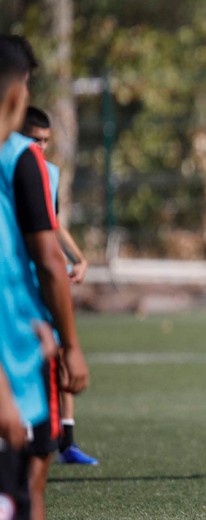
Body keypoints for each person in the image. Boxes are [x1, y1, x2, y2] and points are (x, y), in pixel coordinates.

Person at [0, 34, 90, 520]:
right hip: (18, 347)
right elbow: (49, 258)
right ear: (18, 92)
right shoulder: (22, 158)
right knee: (30, 482)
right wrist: (71, 344)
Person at [20, 106, 98, 467]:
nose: (40, 147)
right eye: (34, 140)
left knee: (62, 351)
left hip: (47, 273)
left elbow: (53, 222)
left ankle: (66, 439)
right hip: (21, 277)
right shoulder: (11, 168)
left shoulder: (48, 172)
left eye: (45, 141)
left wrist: (78, 257)